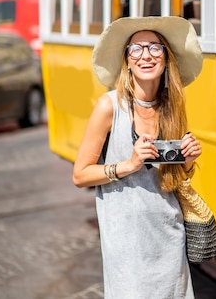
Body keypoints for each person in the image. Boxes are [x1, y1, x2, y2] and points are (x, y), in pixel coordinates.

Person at [72, 16, 204, 299]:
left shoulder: (173, 107)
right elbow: (80, 175)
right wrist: (128, 165)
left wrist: (187, 161)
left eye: (155, 48)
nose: (146, 55)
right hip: (126, 241)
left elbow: (174, 179)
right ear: (127, 60)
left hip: (168, 234)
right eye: (137, 49)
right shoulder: (109, 107)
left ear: (167, 59)